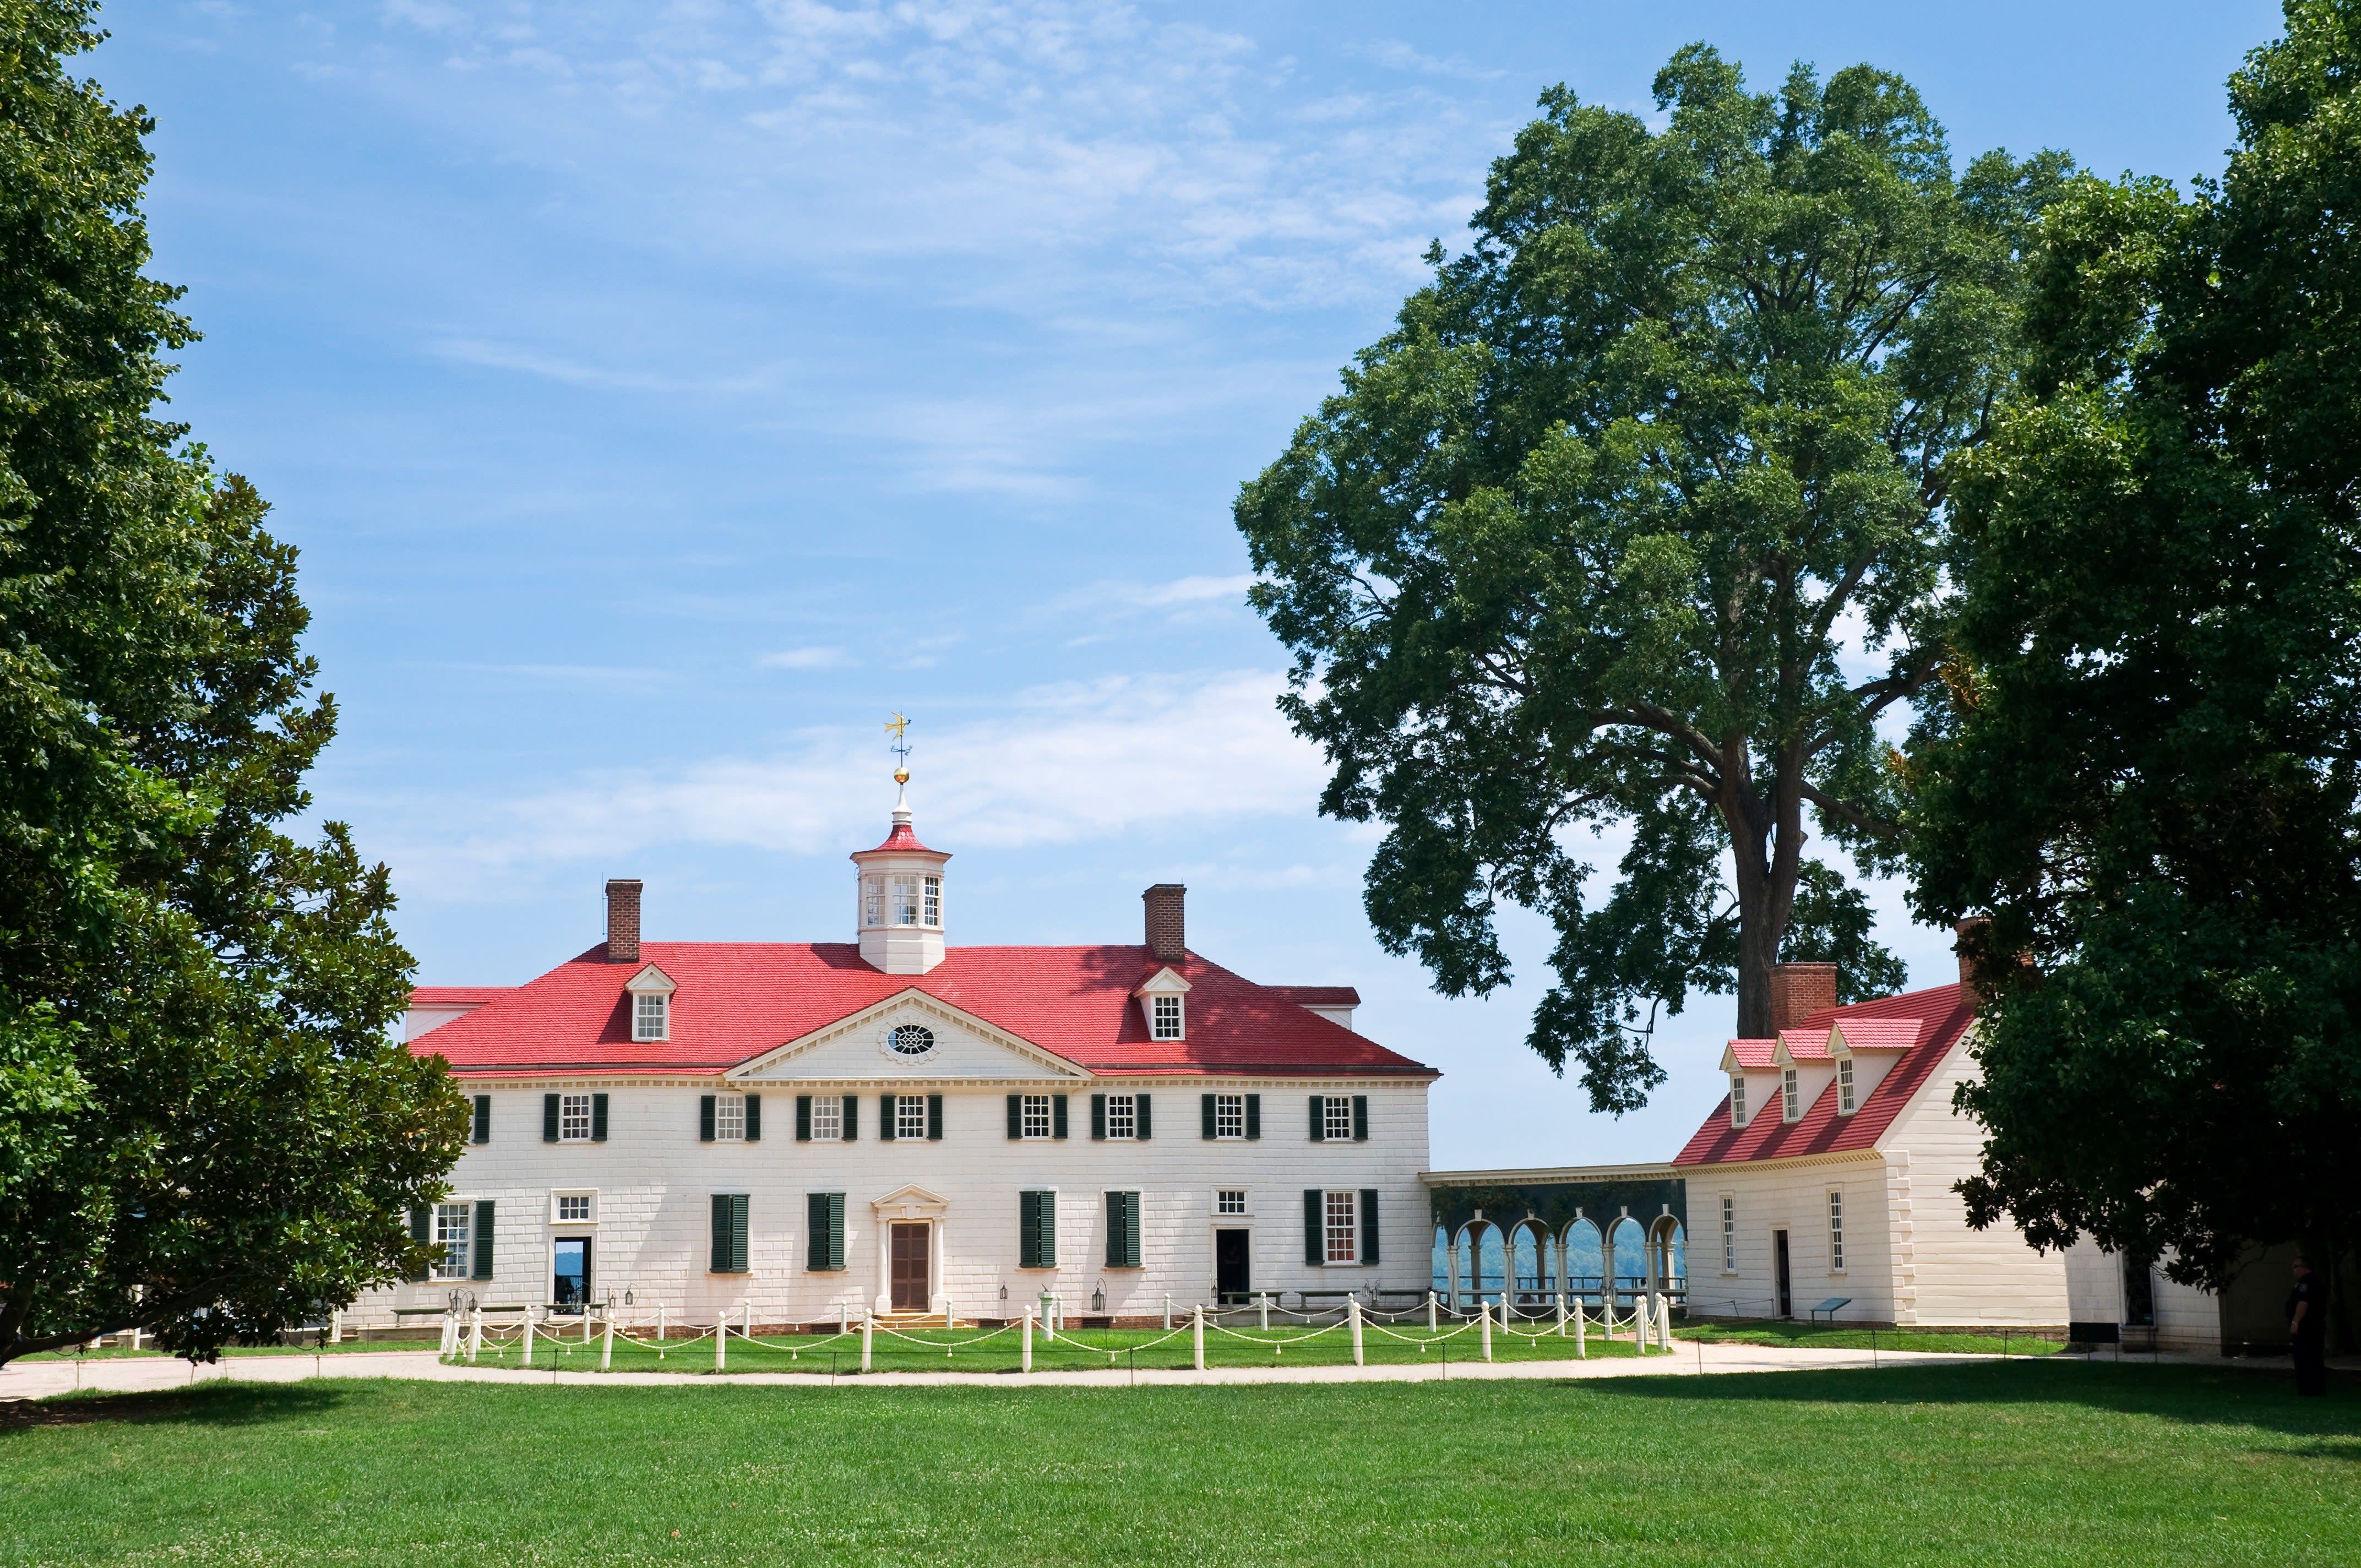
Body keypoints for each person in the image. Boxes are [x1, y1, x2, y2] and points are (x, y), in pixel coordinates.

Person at [2287, 1256, 2327, 1397]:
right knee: (2309, 1358)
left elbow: (2303, 1304)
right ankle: (2311, 1389)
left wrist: (2295, 1322)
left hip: (2308, 1328)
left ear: (2304, 1268)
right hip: (2310, 1328)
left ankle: (2309, 1389)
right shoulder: (2304, 1283)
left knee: (2307, 1358)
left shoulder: (2308, 1283)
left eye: (2296, 1267)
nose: (2294, 1270)